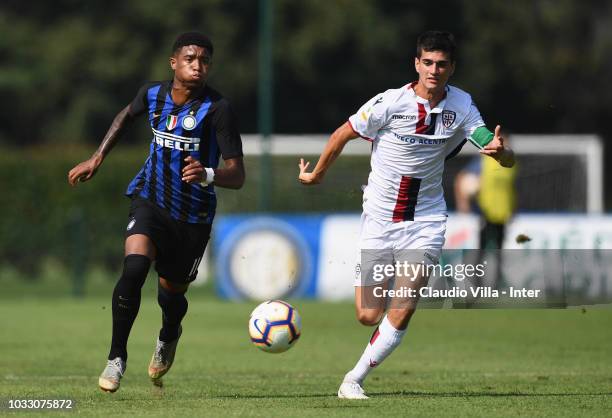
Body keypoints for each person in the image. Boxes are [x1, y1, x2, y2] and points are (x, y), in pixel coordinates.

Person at [298, 30, 515, 399]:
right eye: (427, 62)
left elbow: (486, 140)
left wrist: (500, 152)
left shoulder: (461, 105)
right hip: (379, 219)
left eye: (441, 64)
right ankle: (372, 339)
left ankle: (353, 379)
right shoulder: (389, 103)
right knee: (368, 314)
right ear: (416, 64)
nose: (434, 70)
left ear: (451, 68)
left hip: (426, 221)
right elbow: (343, 133)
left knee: (402, 308)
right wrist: (317, 174)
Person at [67, 32, 245, 393]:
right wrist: (97, 156)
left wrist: (209, 174)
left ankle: (168, 335)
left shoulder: (218, 108)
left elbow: (238, 174)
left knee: (172, 295)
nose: (198, 65)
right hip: (150, 199)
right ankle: (116, 358)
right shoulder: (152, 94)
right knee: (133, 268)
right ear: (174, 62)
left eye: (205, 60)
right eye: (191, 58)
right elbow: (124, 116)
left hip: (192, 217)